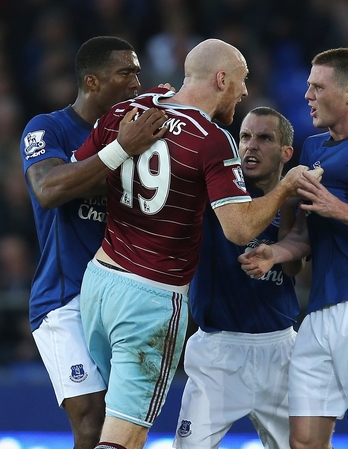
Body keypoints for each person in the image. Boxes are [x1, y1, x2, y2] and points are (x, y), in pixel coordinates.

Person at [67, 39, 320, 449]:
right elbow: (238, 229)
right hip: (150, 298)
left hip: (98, 282)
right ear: (222, 79)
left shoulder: (129, 111)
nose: (244, 91)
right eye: (241, 81)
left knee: (100, 421)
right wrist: (286, 187)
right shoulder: (212, 139)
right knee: (123, 437)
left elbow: (83, 173)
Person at [239, 48, 348, 449]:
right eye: (308, 86)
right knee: (302, 439)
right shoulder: (313, 149)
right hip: (319, 311)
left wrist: (338, 209)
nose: (307, 96)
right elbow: (306, 234)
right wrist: (276, 253)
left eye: (317, 87)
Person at [20, 36, 168, 449]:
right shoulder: (48, 128)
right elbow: (48, 189)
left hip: (125, 298)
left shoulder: (143, 134)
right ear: (93, 81)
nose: (137, 82)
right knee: (90, 417)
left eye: (138, 71)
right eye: (127, 72)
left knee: (125, 422)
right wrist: (123, 149)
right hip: (64, 298)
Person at [173, 107, 304, 449]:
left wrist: (287, 206)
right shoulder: (216, 195)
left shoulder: (296, 204)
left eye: (264, 138)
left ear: (286, 152)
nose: (251, 147)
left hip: (280, 349)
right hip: (217, 351)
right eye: (245, 137)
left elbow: (294, 268)